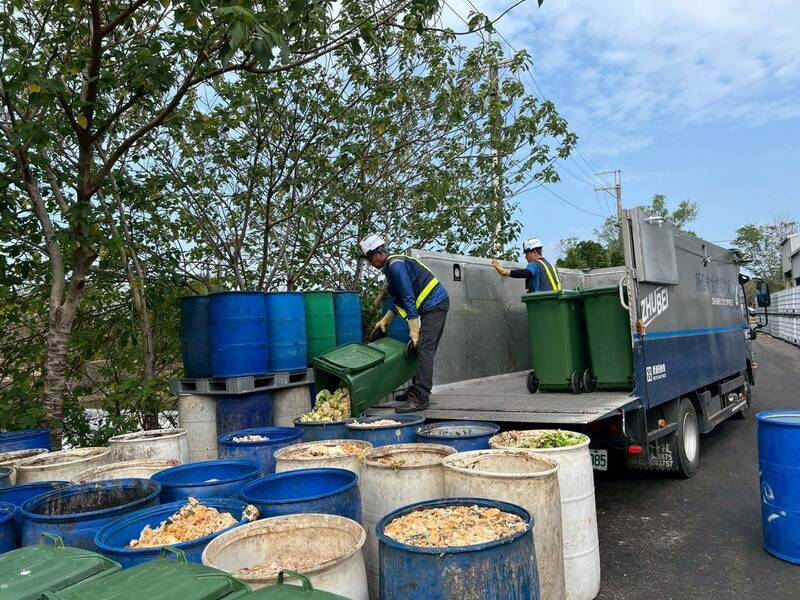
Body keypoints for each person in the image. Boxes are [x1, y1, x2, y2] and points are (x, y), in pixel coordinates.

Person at [360, 234, 449, 413]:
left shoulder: (396, 265)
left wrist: (414, 331)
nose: (370, 263)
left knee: (424, 347)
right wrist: (386, 320)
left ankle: (421, 398)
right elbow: (400, 299)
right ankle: (417, 389)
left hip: (435, 305)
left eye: (370, 258)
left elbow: (408, 296)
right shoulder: (392, 268)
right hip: (432, 306)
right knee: (421, 349)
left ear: (379, 253)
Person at [492, 238, 562, 292]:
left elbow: (526, 273)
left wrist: (506, 272)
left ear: (534, 252)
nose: (525, 257)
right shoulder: (552, 266)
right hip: (555, 303)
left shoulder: (535, 264)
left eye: (526, 254)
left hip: (542, 304)